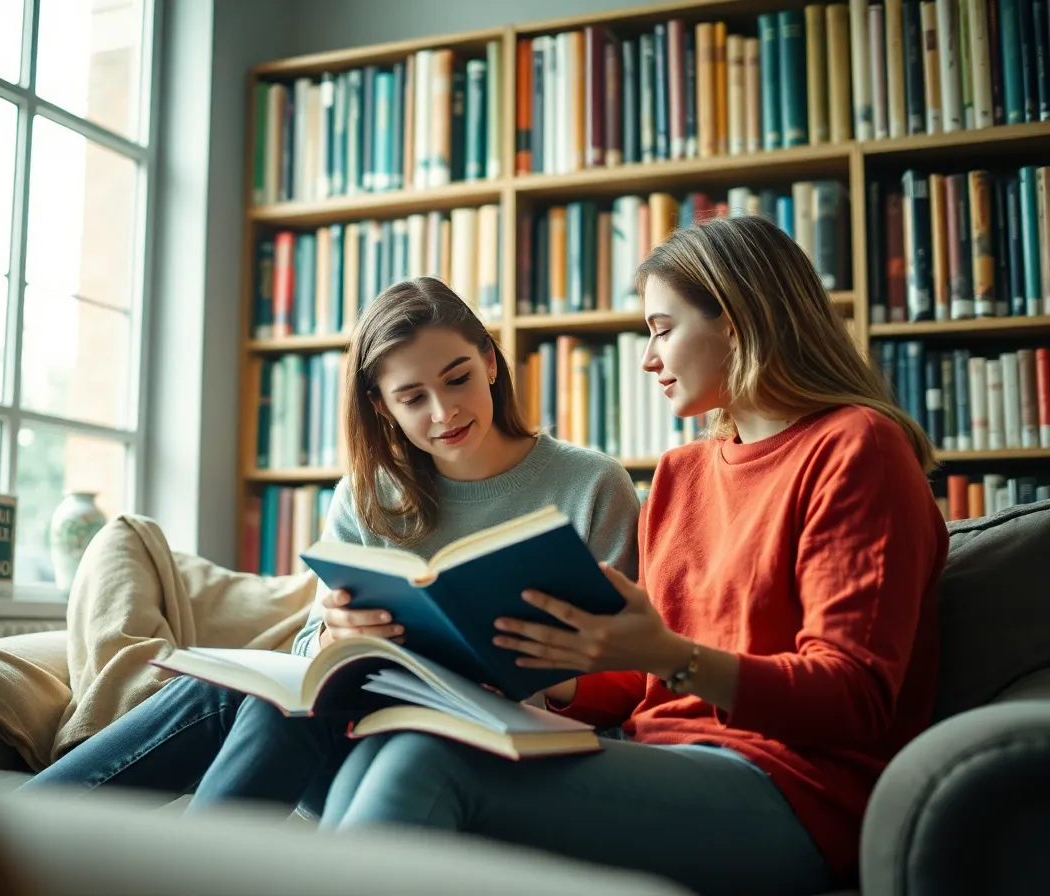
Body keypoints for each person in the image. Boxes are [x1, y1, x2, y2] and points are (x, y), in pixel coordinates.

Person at [314, 217, 950, 896]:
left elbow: (853, 697)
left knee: (427, 763)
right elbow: (636, 688)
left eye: (661, 328)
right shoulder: (682, 474)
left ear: (734, 320)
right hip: (665, 762)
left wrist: (669, 656)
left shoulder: (857, 448)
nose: (648, 358)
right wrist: (545, 662)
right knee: (383, 748)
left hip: (794, 792)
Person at [23, 276, 641, 816]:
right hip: (368, 732)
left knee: (271, 710)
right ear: (381, 406)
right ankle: (11, 834)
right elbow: (306, 650)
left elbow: (634, 679)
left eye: (459, 378)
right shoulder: (369, 494)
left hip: (510, 744)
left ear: (491, 361)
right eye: (412, 398)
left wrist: (549, 672)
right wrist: (331, 636)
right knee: (247, 690)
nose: (444, 411)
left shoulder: (590, 484)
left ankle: (26, 833)